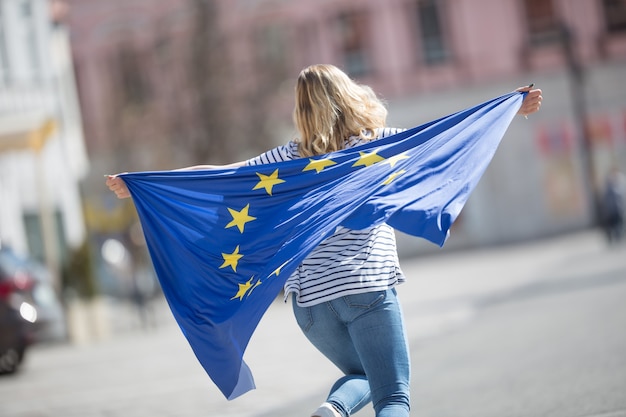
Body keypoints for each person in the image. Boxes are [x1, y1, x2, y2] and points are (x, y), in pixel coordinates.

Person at [106, 64, 542, 417]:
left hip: (310, 306)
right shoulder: (375, 146)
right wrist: (509, 107)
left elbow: (222, 176)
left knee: (364, 378)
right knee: (392, 397)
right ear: (348, 95)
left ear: (301, 111)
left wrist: (142, 185)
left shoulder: (284, 161)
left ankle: (333, 410)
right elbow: (448, 132)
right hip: (366, 288)